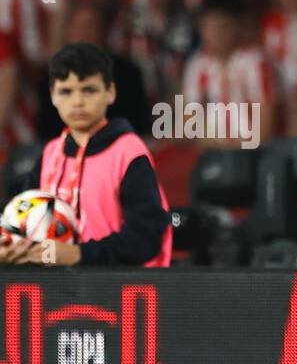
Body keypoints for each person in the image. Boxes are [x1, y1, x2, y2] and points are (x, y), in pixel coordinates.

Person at [0, 42, 171, 267]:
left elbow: (145, 238)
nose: (78, 101)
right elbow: (20, 220)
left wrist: (78, 254)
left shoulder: (128, 152)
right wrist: (11, 246)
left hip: (117, 291)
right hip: (56, 292)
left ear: (110, 93)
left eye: (89, 90)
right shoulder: (51, 153)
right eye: (66, 91)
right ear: (52, 96)